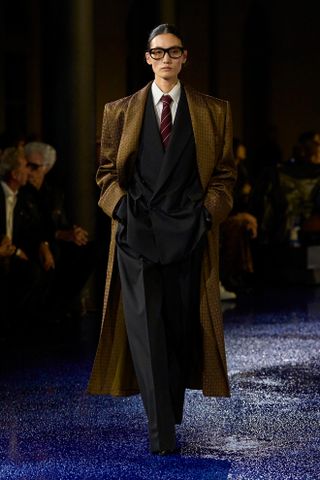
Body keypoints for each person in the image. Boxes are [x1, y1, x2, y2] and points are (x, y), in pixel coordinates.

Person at [88, 24, 236, 455]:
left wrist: (207, 215)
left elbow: (225, 174)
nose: (166, 59)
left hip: (189, 233)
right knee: (146, 330)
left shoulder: (213, 112)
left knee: (178, 327)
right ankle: (162, 433)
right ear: (148, 58)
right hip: (137, 233)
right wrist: (121, 211)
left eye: (174, 52)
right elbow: (104, 173)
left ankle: (169, 413)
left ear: (185, 57)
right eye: (158, 52)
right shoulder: (119, 111)